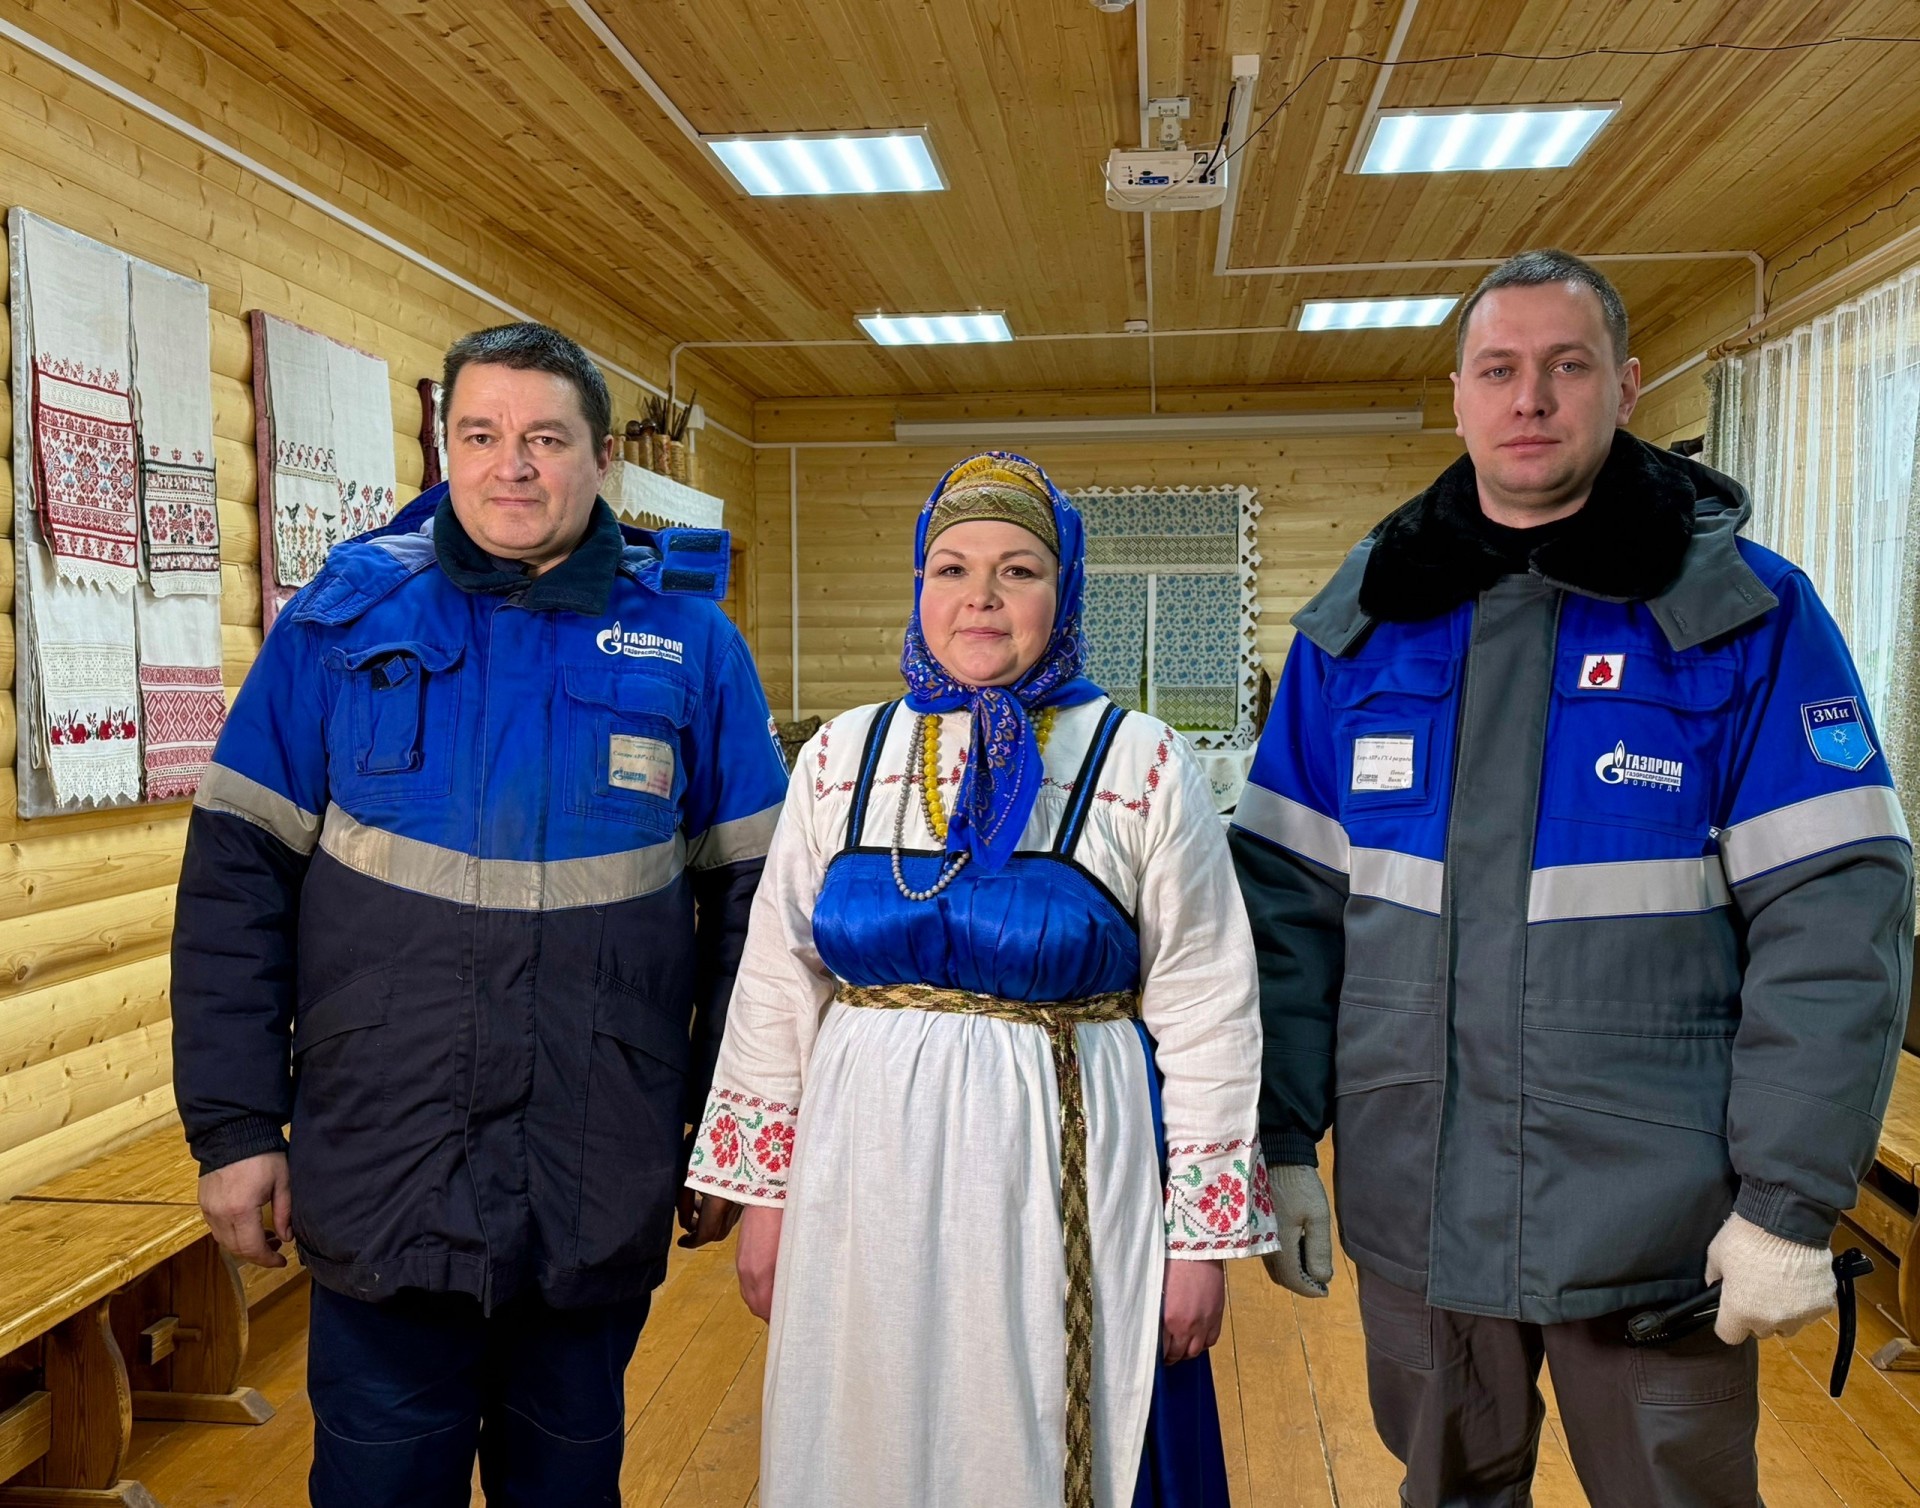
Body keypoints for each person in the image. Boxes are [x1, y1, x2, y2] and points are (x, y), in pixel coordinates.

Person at [1232, 247, 1915, 1507]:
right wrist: (1274, 1137)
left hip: (1655, 1225)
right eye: (1499, 369)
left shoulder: (1749, 617)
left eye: (1566, 366)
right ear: (1458, 395)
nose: (1530, 398)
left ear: (1627, 385)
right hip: (1419, 1203)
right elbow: (1284, 915)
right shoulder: (1361, 625)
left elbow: (1836, 923)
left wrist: (1788, 1196)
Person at [169, 322, 789, 1507]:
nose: (513, 464)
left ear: (601, 455)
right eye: (482, 433)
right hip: (384, 1162)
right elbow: (233, 892)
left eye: (545, 437)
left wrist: (731, 1133)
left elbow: (756, 920)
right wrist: (236, 1128)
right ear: (446, 447)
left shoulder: (692, 647)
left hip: (594, 1165)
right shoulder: (338, 628)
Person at [678, 452, 1279, 1507]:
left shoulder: (1140, 763)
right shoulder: (842, 755)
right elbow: (777, 983)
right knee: (868, 1423)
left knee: (1035, 1419)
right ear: (920, 586)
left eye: (1019, 570)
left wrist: (1200, 1242)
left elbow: (1208, 1006)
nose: (982, 598)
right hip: (862, 1177)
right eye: (952, 569)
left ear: (1065, 590)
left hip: (1060, 1169)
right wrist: (765, 1202)